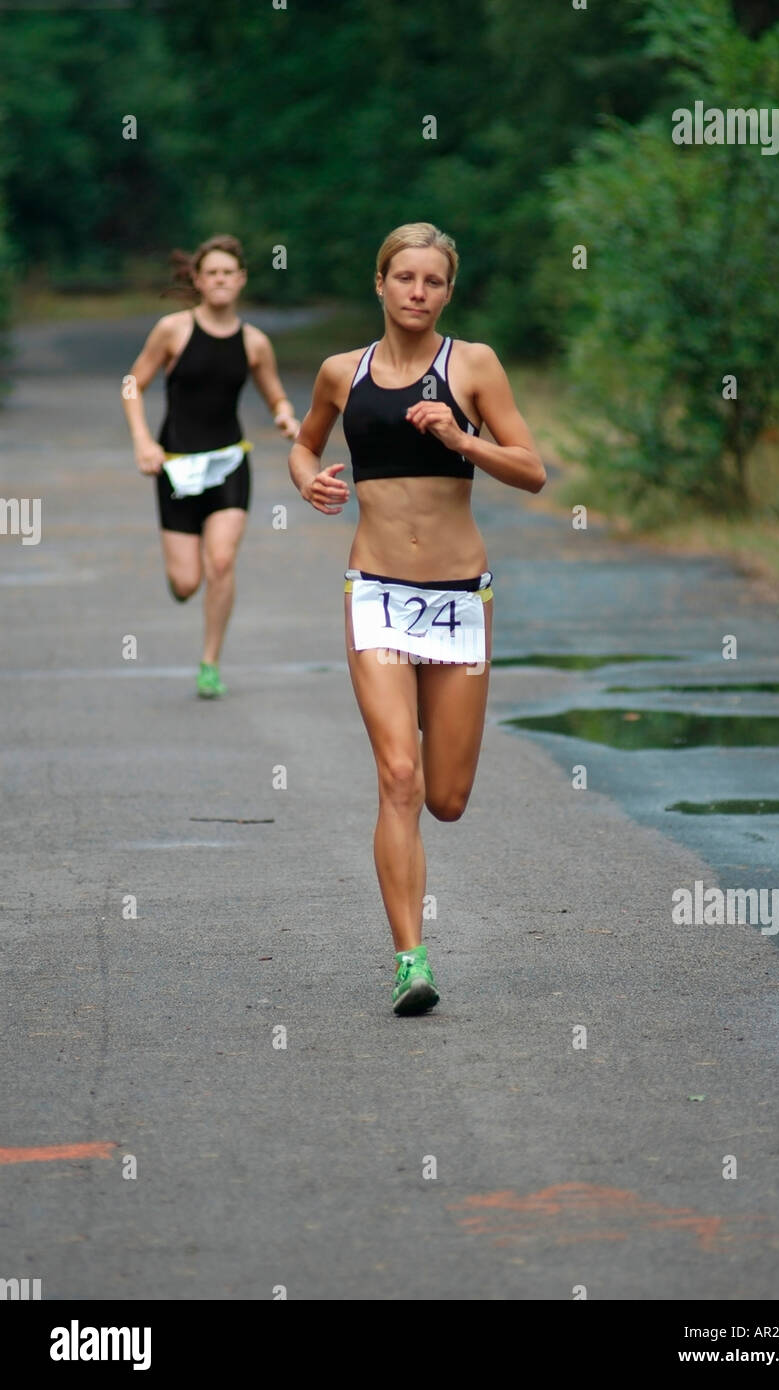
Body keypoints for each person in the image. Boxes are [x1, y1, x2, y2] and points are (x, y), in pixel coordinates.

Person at [289, 222, 545, 1015]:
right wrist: (309, 480)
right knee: (397, 777)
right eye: (404, 277)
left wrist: (459, 437)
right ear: (379, 282)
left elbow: (532, 471)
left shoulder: (471, 366)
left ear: (447, 291)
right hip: (376, 593)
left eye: (432, 282)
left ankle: (413, 936)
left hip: (458, 599)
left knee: (446, 798)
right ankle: (411, 960)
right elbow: (302, 446)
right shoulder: (342, 372)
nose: (417, 292)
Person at [122, 234, 300, 698]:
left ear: (240, 281)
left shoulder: (255, 342)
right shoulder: (172, 330)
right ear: (198, 280)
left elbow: (274, 392)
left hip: (228, 463)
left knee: (222, 560)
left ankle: (210, 662)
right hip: (176, 467)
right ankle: (180, 578)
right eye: (212, 273)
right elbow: (131, 384)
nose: (221, 280)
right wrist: (143, 441)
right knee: (186, 582)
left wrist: (284, 415)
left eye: (229, 273)